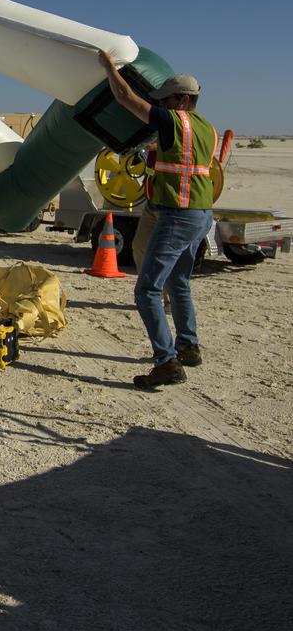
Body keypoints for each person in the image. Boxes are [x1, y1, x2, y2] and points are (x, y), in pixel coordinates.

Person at [97, 52, 218, 391]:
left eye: (167, 100)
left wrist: (109, 67)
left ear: (184, 99)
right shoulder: (207, 128)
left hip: (177, 214)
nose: (162, 105)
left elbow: (125, 98)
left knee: (147, 289)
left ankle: (166, 362)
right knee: (178, 281)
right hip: (201, 214)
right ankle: (189, 345)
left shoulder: (172, 121)